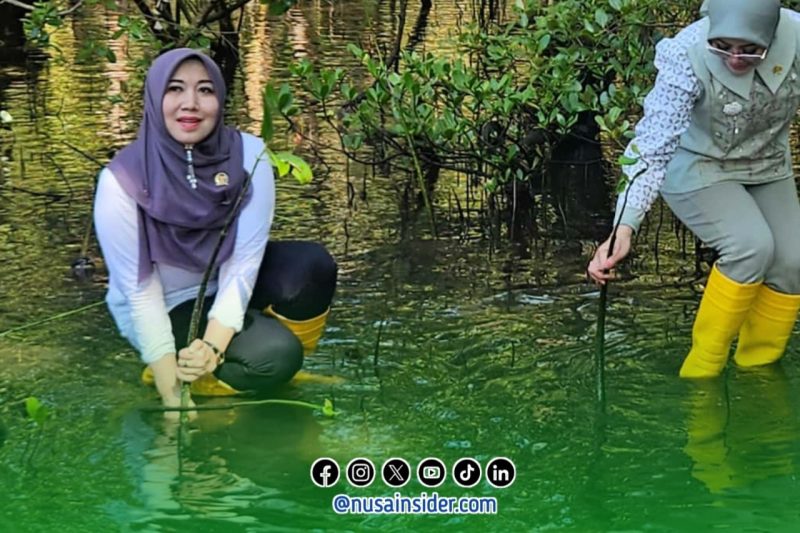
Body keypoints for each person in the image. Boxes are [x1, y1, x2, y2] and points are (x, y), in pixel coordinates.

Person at [94, 48, 337, 412]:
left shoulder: (250, 156)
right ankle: (179, 371)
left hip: (224, 282)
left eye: (205, 90)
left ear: (220, 99)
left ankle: (240, 367)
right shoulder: (121, 179)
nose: (190, 103)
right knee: (276, 354)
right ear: (154, 96)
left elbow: (243, 265)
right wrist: (169, 393)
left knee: (312, 265)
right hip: (165, 303)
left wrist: (211, 346)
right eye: (174, 89)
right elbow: (139, 291)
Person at [587, 0, 800, 378]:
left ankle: (758, 372)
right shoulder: (685, 53)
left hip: (768, 165)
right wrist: (625, 224)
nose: (735, 58)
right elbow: (652, 145)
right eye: (724, 46)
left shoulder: (797, 37)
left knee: (793, 262)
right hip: (696, 164)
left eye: (751, 49)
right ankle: (701, 374)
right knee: (750, 246)